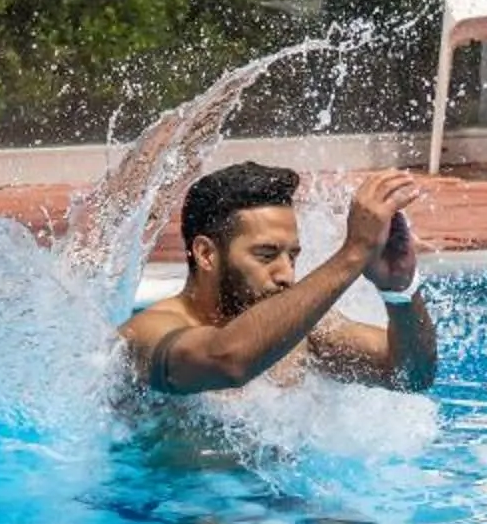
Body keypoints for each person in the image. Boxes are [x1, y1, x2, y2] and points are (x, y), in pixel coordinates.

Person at [120, 162, 438, 396]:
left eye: (292, 256)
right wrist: (353, 253)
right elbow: (227, 361)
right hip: (167, 489)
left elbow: (409, 376)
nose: (286, 274)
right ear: (206, 254)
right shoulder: (147, 334)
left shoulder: (303, 333)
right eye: (266, 255)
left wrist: (399, 290)